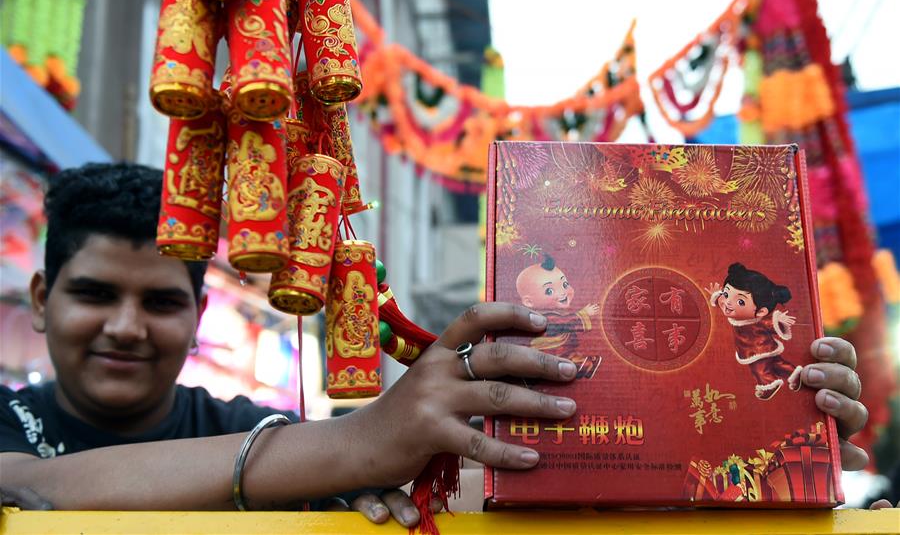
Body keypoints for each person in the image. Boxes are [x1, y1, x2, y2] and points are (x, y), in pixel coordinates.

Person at [0, 163, 876, 524]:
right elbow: (30, 486)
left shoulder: (252, 428)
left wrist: (761, 437)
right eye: (92, 294)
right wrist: (355, 443)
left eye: (159, 301)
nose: (124, 325)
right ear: (40, 300)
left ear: (198, 314)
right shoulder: (301, 451)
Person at [707, 263, 803, 400]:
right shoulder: (730, 307)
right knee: (776, 363)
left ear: (761, 311)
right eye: (727, 293)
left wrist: (779, 320)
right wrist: (717, 296)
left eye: (740, 301)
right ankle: (794, 374)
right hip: (765, 347)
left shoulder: (759, 320)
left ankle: (768, 384)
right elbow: (723, 303)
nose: (728, 302)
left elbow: (770, 323)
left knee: (759, 369)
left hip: (756, 351)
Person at [515, 253, 601, 378]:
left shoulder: (558, 313)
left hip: (563, 346)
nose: (563, 293)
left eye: (565, 284)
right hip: (551, 349)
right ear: (529, 302)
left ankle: (583, 365)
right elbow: (564, 321)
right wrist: (584, 314)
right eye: (549, 291)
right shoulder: (545, 317)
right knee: (563, 361)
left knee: (571, 356)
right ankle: (582, 366)